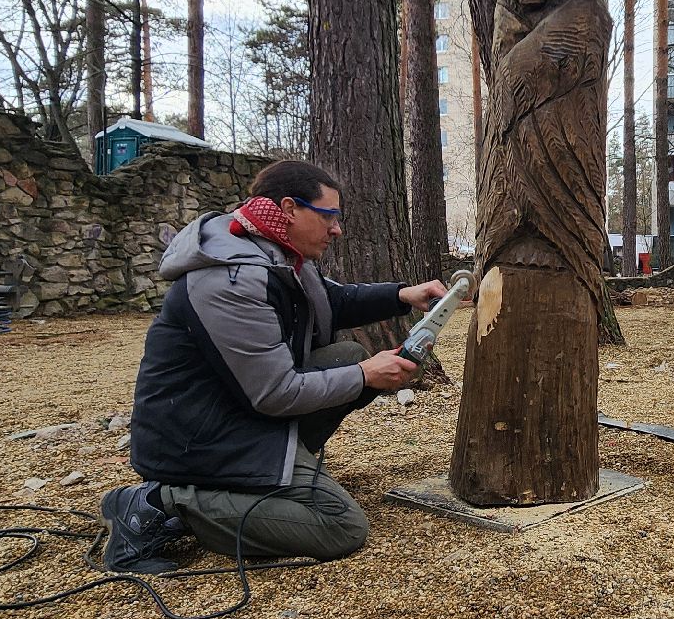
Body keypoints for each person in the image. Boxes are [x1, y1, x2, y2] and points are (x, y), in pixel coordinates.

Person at [98, 160, 447, 573]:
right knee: (340, 527)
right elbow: (275, 393)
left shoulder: (274, 252)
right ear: (288, 209)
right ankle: (157, 502)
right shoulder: (232, 279)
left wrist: (403, 295)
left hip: (233, 414)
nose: (337, 229)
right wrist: (366, 376)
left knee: (347, 357)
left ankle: (274, 477)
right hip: (198, 441)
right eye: (329, 216)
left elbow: (331, 302)